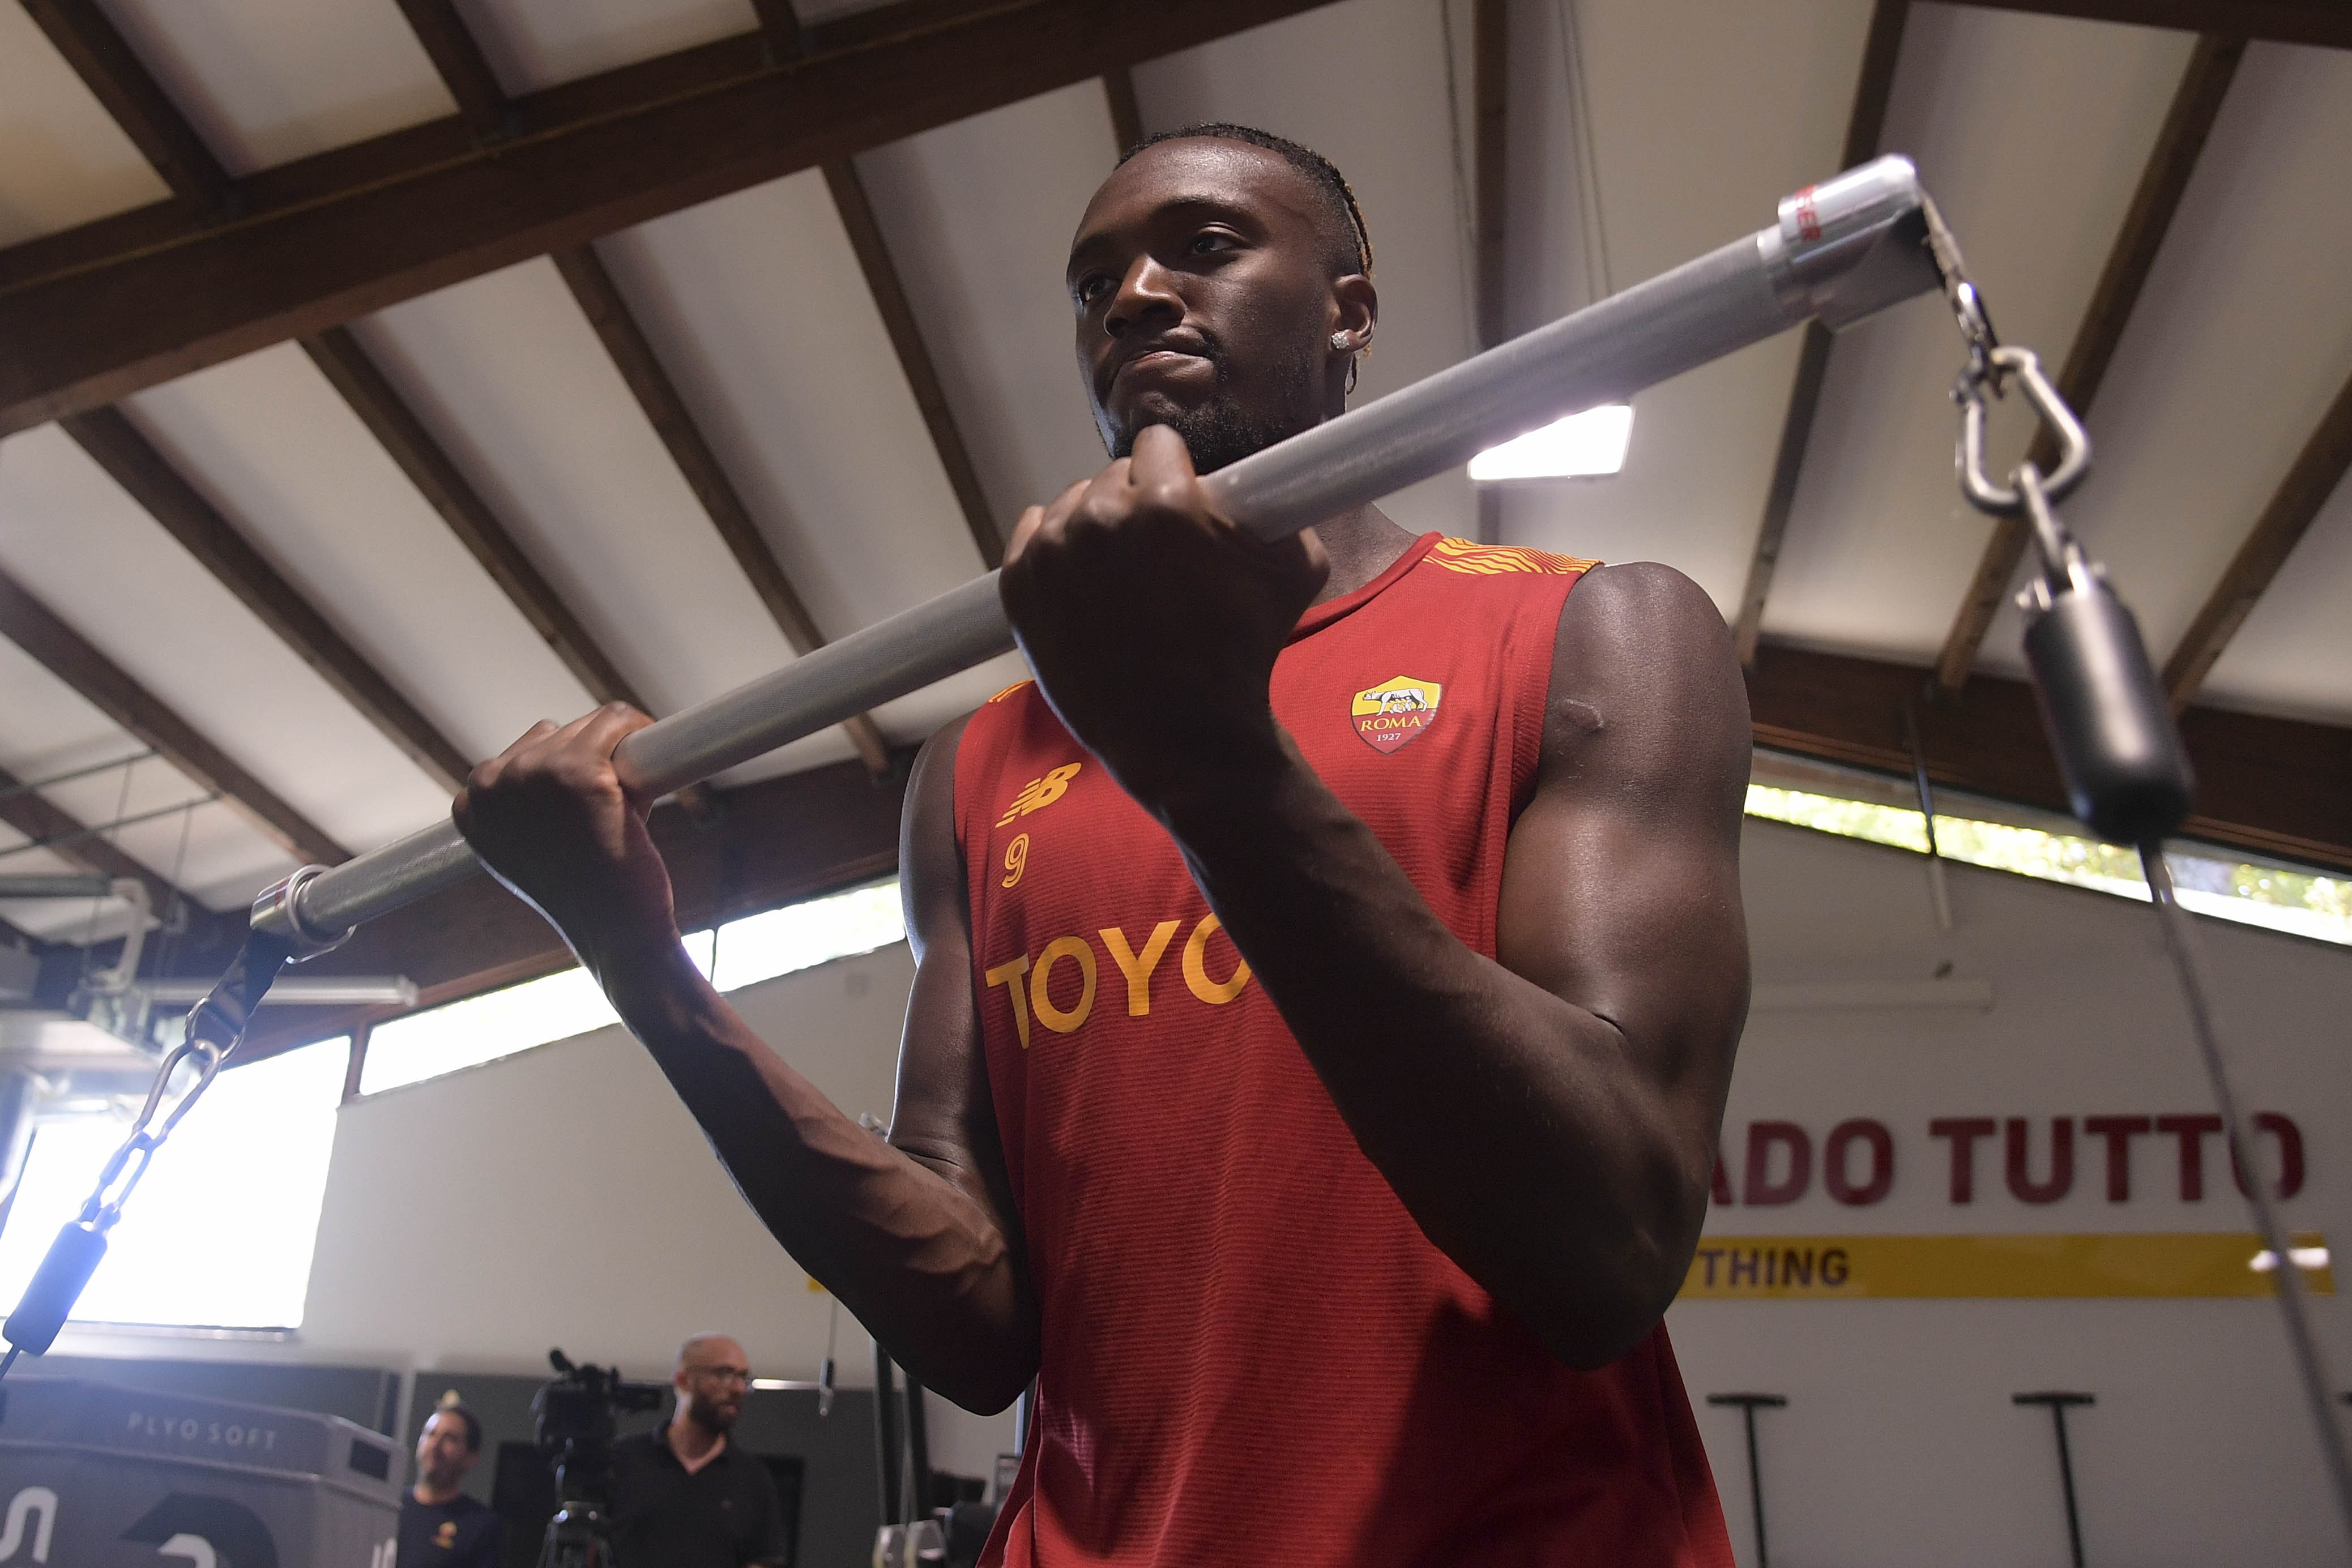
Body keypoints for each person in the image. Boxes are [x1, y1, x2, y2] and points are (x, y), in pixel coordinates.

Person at [455, 122, 1748, 1565]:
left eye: (1202, 247)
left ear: (1350, 310)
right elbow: (977, 1317)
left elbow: (1610, 1245)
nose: (1129, 297)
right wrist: (640, 965)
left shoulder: (1590, 632)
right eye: (1093, 283)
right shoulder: (978, 765)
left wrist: (1203, 753)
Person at [608, 1332, 792, 1567]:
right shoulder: (622, 1460)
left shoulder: (753, 1480)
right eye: (724, 1374)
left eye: (743, 1378)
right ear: (684, 1381)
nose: (738, 1389)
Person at [399, 1394, 503, 1568]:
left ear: (470, 1458)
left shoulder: (480, 1526)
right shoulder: (391, 1505)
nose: (435, 1444)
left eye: (450, 1438)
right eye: (431, 1434)